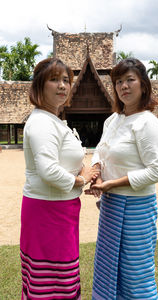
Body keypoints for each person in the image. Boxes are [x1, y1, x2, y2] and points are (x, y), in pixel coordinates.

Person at [86, 58, 158, 299]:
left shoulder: (147, 123)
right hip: (111, 206)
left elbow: (157, 170)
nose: (124, 86)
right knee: (109, 271)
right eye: (119, 81)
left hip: (136, 208)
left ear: (143, 84)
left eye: (130, 80)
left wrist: (114, 183)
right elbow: (100, 150)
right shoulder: (113, 120)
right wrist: (97, 170)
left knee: (135, 274)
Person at [20, 58, 98, 300]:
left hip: (60, 208)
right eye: (54, 79)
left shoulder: (52, 119)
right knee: (55, 282)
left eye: (66, 80)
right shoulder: (42, 122)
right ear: (40, 86)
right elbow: (49, 170)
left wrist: (86, 170)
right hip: (48, 210)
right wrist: (81, 180)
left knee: (59, 277)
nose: (62, 85)